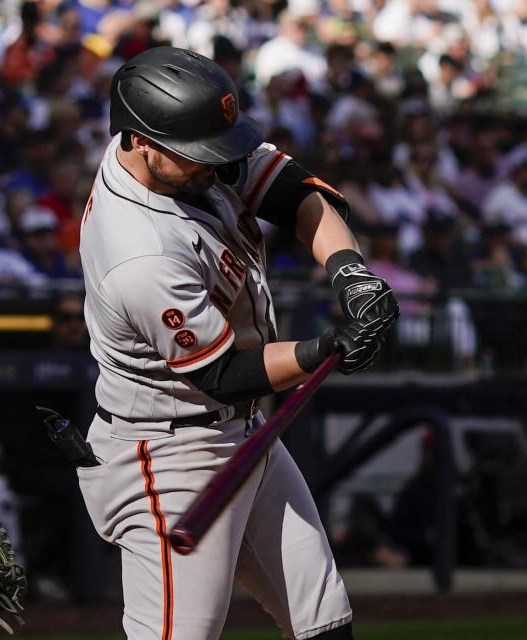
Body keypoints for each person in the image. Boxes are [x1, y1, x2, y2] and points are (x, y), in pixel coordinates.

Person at [76, 47, 398, 640]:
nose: (217, 165)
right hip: (168, 454)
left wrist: (351, 272)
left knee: (324, 625)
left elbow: (295, 191)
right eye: (200, 155)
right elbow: (224, 371)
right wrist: (325, 347)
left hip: (243, 433)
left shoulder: (181, 150)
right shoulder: (137, 251)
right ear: (139, 141)